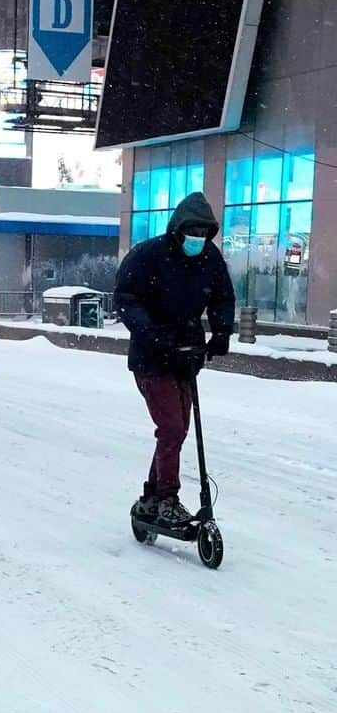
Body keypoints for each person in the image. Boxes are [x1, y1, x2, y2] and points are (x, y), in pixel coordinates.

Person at [114, 192, 235, 526]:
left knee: (177, 430)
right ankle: (167, 497)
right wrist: (153, 334)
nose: (197, 239)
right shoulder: (150, 255)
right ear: (178, 229)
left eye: (203, 234)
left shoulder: (209, 258)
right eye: (191, 233)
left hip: (186, 356)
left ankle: (151, 499)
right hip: (152, 357)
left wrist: (221, 332)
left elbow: (223, 297)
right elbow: (126, 298)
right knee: (171, 427)